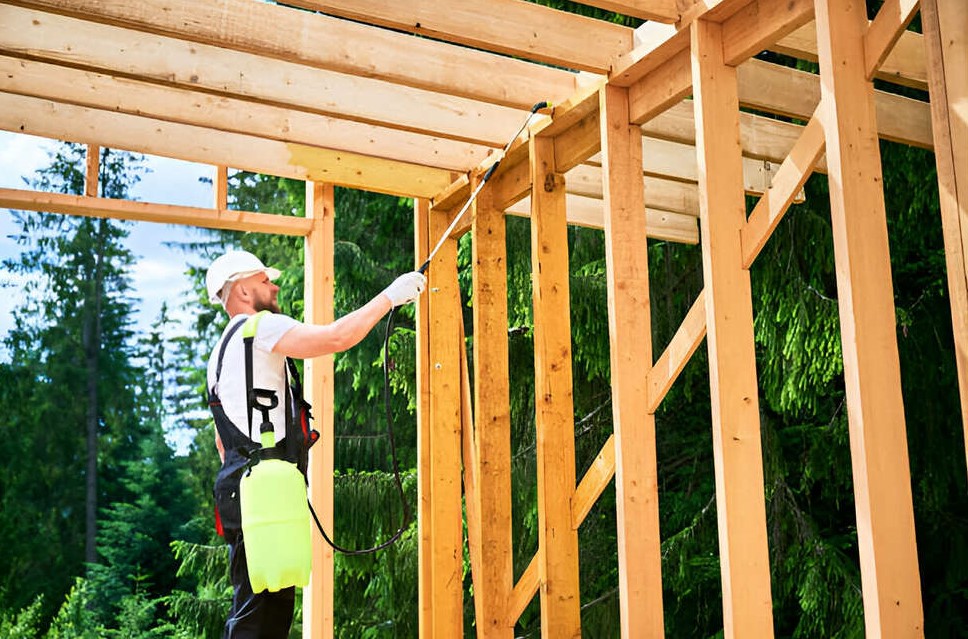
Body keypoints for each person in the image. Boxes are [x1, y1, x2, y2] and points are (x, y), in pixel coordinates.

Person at [204, 249, 426, 638]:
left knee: (261, 607)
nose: (274, 286)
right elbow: (336, 337)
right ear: (241, 290)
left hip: (245, 488)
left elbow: (224, 444)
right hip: (263, 491)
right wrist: (391, 296)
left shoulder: (222, 351)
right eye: (263, 281)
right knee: (260, 615)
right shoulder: (259, 328)